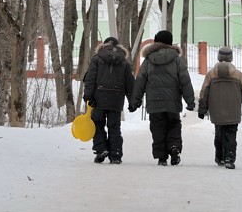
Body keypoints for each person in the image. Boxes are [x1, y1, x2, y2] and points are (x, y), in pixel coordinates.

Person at [129, 30, 196, 166]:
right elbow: (185, 81)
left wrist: (134, 102)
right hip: (172, 102)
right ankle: (174, 147)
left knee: (158, 128)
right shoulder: (177, 60)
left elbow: (140, 81)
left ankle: (162, 157)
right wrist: (190, 101)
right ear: (170, 42)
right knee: (173, 125)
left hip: (155, 103)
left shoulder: (148, 60)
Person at [197, 46, 242, 170]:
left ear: (219, 57)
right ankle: (229, 158)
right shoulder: (238, 75)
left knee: (219, 133)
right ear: (231, 58)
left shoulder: (211, 74)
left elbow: (204, 93)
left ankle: (220, 157)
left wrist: (202, 109)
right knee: (231, 134)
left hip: (216, 110)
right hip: (233, 109)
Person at [82, 36, 135, 164]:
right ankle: (115, 154)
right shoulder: (124, 63)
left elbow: (90, 79)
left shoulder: (96, 59)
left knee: (97, 124)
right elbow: (130, 84)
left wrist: (88, 96)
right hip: (116, 99)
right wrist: (133, 101)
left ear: (104, 45)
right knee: (114, 126)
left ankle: (101, 149)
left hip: (98, 99)